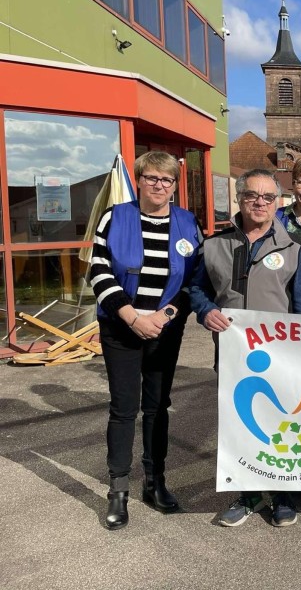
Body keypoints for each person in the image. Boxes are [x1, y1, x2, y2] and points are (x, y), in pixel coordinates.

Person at [190, 168, 301, 528]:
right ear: (239, 199)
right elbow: (196, 290)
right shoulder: (213, 245)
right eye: (251, 195)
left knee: (280, 422)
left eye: (268, 197)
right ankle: (248, 494)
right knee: (240, 423)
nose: (259, 203)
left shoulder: (293, 249)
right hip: (231, 351)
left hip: (279, 355)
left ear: (277, 203)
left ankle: (282, 493)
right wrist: (206, 310)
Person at [89, 151, 202, 530]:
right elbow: (99, 270)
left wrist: (164, 316)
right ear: (138, 180)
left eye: (166, 179)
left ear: (175, 185)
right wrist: (132, 316)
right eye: (152, 177)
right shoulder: (115, 217)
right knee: (124, 408)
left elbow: (196, 278)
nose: (159, 185)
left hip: (164, 329)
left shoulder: (188, 223)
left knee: (157, 406)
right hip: (121, 325)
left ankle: (155, 482)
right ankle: (118, 490)